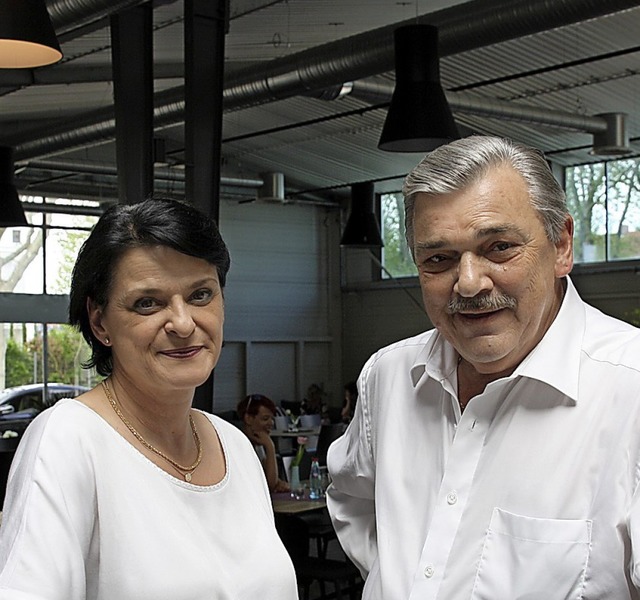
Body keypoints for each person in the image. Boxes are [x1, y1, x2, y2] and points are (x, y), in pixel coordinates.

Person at [326, 136, 640, 599]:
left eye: (498, 248)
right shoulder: (389, 377)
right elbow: (355, 504)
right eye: (439, 259)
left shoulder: (628, 390)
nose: (469, 283)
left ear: (561, 246)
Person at [0, 197, 297, 599]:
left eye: (200, 295)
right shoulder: (69, 439)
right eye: (148, 303)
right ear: (100, 321)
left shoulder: (235, 447)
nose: (182, 322)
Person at [237, 393, 290, 492]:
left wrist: (278, 482)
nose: (271, 423)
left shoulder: (259, 442)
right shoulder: (239, 446)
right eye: (265, 419)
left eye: (272, 419)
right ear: (248, 418)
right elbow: (270, 485)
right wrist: (270, 447)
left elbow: (272, 480)